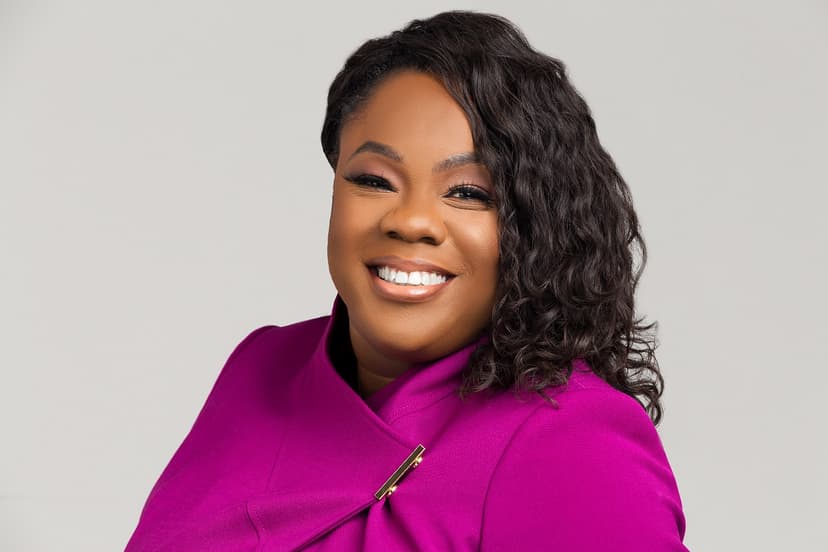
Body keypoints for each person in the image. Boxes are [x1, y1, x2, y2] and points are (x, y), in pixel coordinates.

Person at [126, 10, 688, 551]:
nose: (410, 220)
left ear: (536, 225)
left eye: (468, 192)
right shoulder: (263, 366)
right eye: (374, 180)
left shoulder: (572, 443)